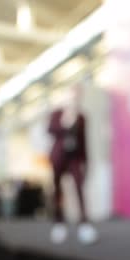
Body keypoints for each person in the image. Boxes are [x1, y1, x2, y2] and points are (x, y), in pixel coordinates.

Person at [48, 86, 97, 244]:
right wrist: (66, 121)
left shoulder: (82, 117)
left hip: (75, 158)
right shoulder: (57, 114)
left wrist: (86, 162)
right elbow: (51, 130)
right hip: (58, 157)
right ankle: (59, 223)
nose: (74, 98)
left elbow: (84, 142)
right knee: (57, 190)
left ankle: (84, 223)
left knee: (79, 187)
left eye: (77, 96)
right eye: (71, 95)